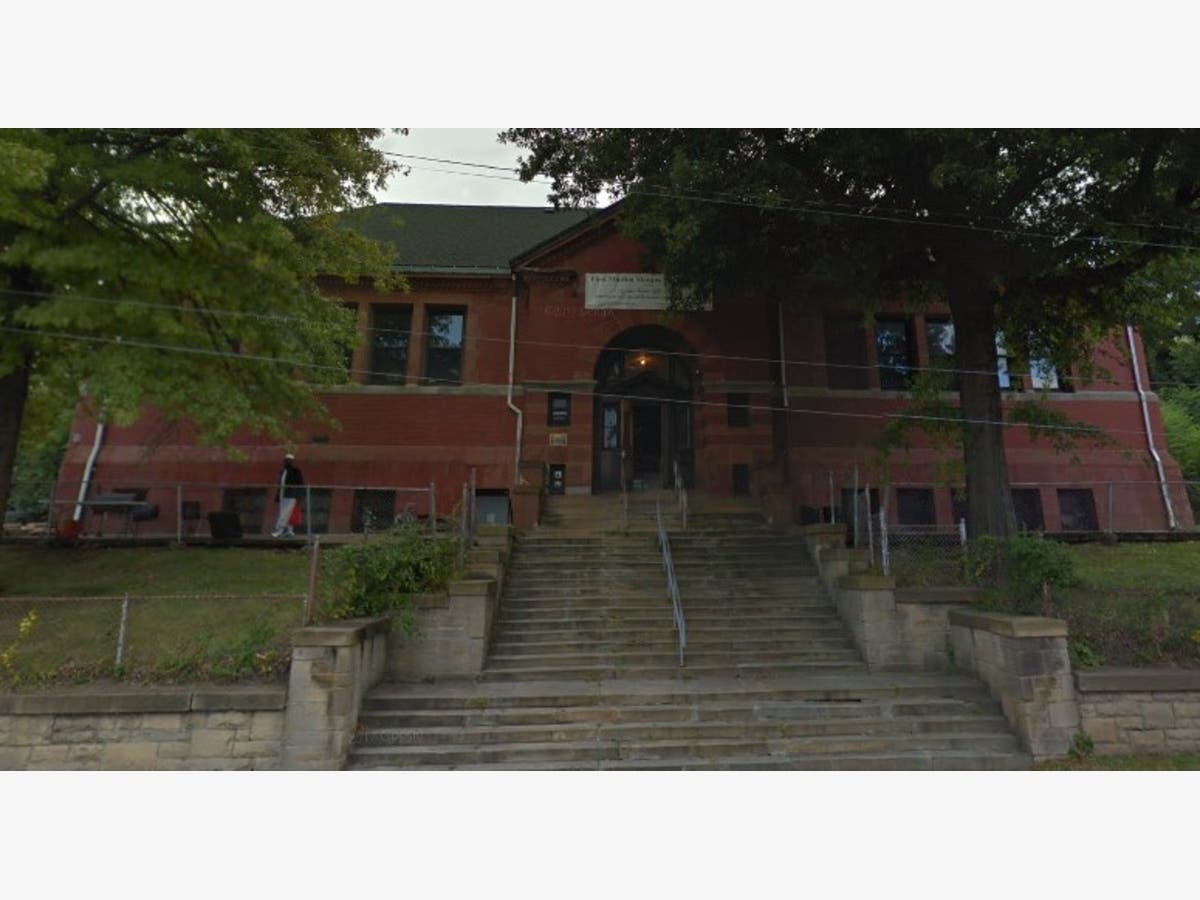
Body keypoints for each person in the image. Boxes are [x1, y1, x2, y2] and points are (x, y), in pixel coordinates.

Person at [271, 453, 305, 537]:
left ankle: (279, 530)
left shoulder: (296, 471)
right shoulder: (282, 471)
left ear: (292, 461)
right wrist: (278, 496)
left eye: (289, 460)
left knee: (285, 513)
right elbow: (280, 484)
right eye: (286, 460)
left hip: (291, 495)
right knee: (286, 513)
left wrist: (299, 496)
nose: (287, 462)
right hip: (283, 494)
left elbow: (300, 484)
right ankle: (289, 531)